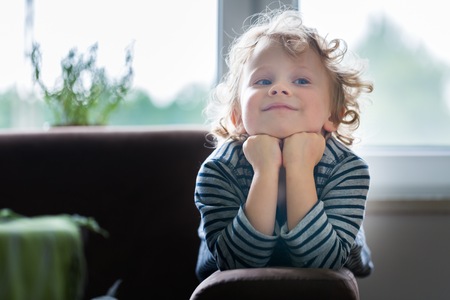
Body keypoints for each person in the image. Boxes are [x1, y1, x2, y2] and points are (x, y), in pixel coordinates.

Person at [194, 7, 374, 282]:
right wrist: (265, 172)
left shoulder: (348, 169)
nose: (279, 89)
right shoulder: (219, 169)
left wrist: (299, 168)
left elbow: (323, 262)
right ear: (237, 116)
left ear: (334, 114)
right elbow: (236, 264)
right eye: (263, 81)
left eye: (301, 80)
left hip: (336, 251)